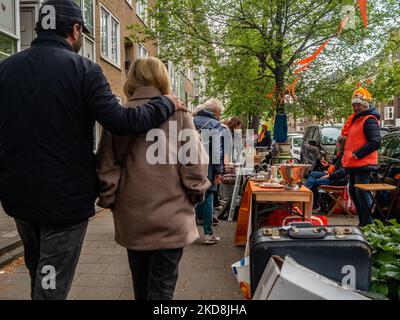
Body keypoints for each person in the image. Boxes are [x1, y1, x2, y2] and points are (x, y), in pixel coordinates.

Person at [0, 0, 184, 300]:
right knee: (51, 284)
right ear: (74, 30)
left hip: (17, 196)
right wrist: (165, 103)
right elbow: (123, 121)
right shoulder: (84, 70)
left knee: (40, 271)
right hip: (63, 200)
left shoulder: (6, 68)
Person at [96, 57, 210, 300]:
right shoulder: (180, 114)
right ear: (162, 78)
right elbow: (196, 166)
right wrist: (196, 194)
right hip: (172, 218)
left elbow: (106, 167)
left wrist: (112, 200)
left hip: (132, 218)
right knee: (161, 290)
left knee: (140, 286)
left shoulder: (119, 115)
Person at [343, 88, 381, 226]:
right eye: (354, 105)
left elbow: (376, 142)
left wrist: (357, 154)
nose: (356, 107)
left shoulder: (369, 120)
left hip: (363, 164)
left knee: (362, 194)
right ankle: (363, 222)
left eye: (358, 104)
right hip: (354, 164)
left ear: (365, 104)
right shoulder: (357, 120)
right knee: (354, 193)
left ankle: (369, 224)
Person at [193, 99, 225, 245]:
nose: (219, 116)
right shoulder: (215, 125)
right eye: (219, 113)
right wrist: (219, 170)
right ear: (214, 112)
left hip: (188, 163)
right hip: (208, 165)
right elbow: (216, 151)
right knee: (208, 196)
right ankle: (208, 234)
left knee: (190, 195)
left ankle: (189, 231)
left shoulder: (190, 120)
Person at [305, 136, 348, 210]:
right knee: (313, 174)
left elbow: (342, 172)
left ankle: (311, 202)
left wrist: (328, 176)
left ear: (341, 144)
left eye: (337, 142)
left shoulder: (345, 155)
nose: (336, 144)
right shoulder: (340, 154)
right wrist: (328, 165)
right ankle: (305, 194)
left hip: (340, 180)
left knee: (315, 181)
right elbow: (336, 167)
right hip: (334, 175)